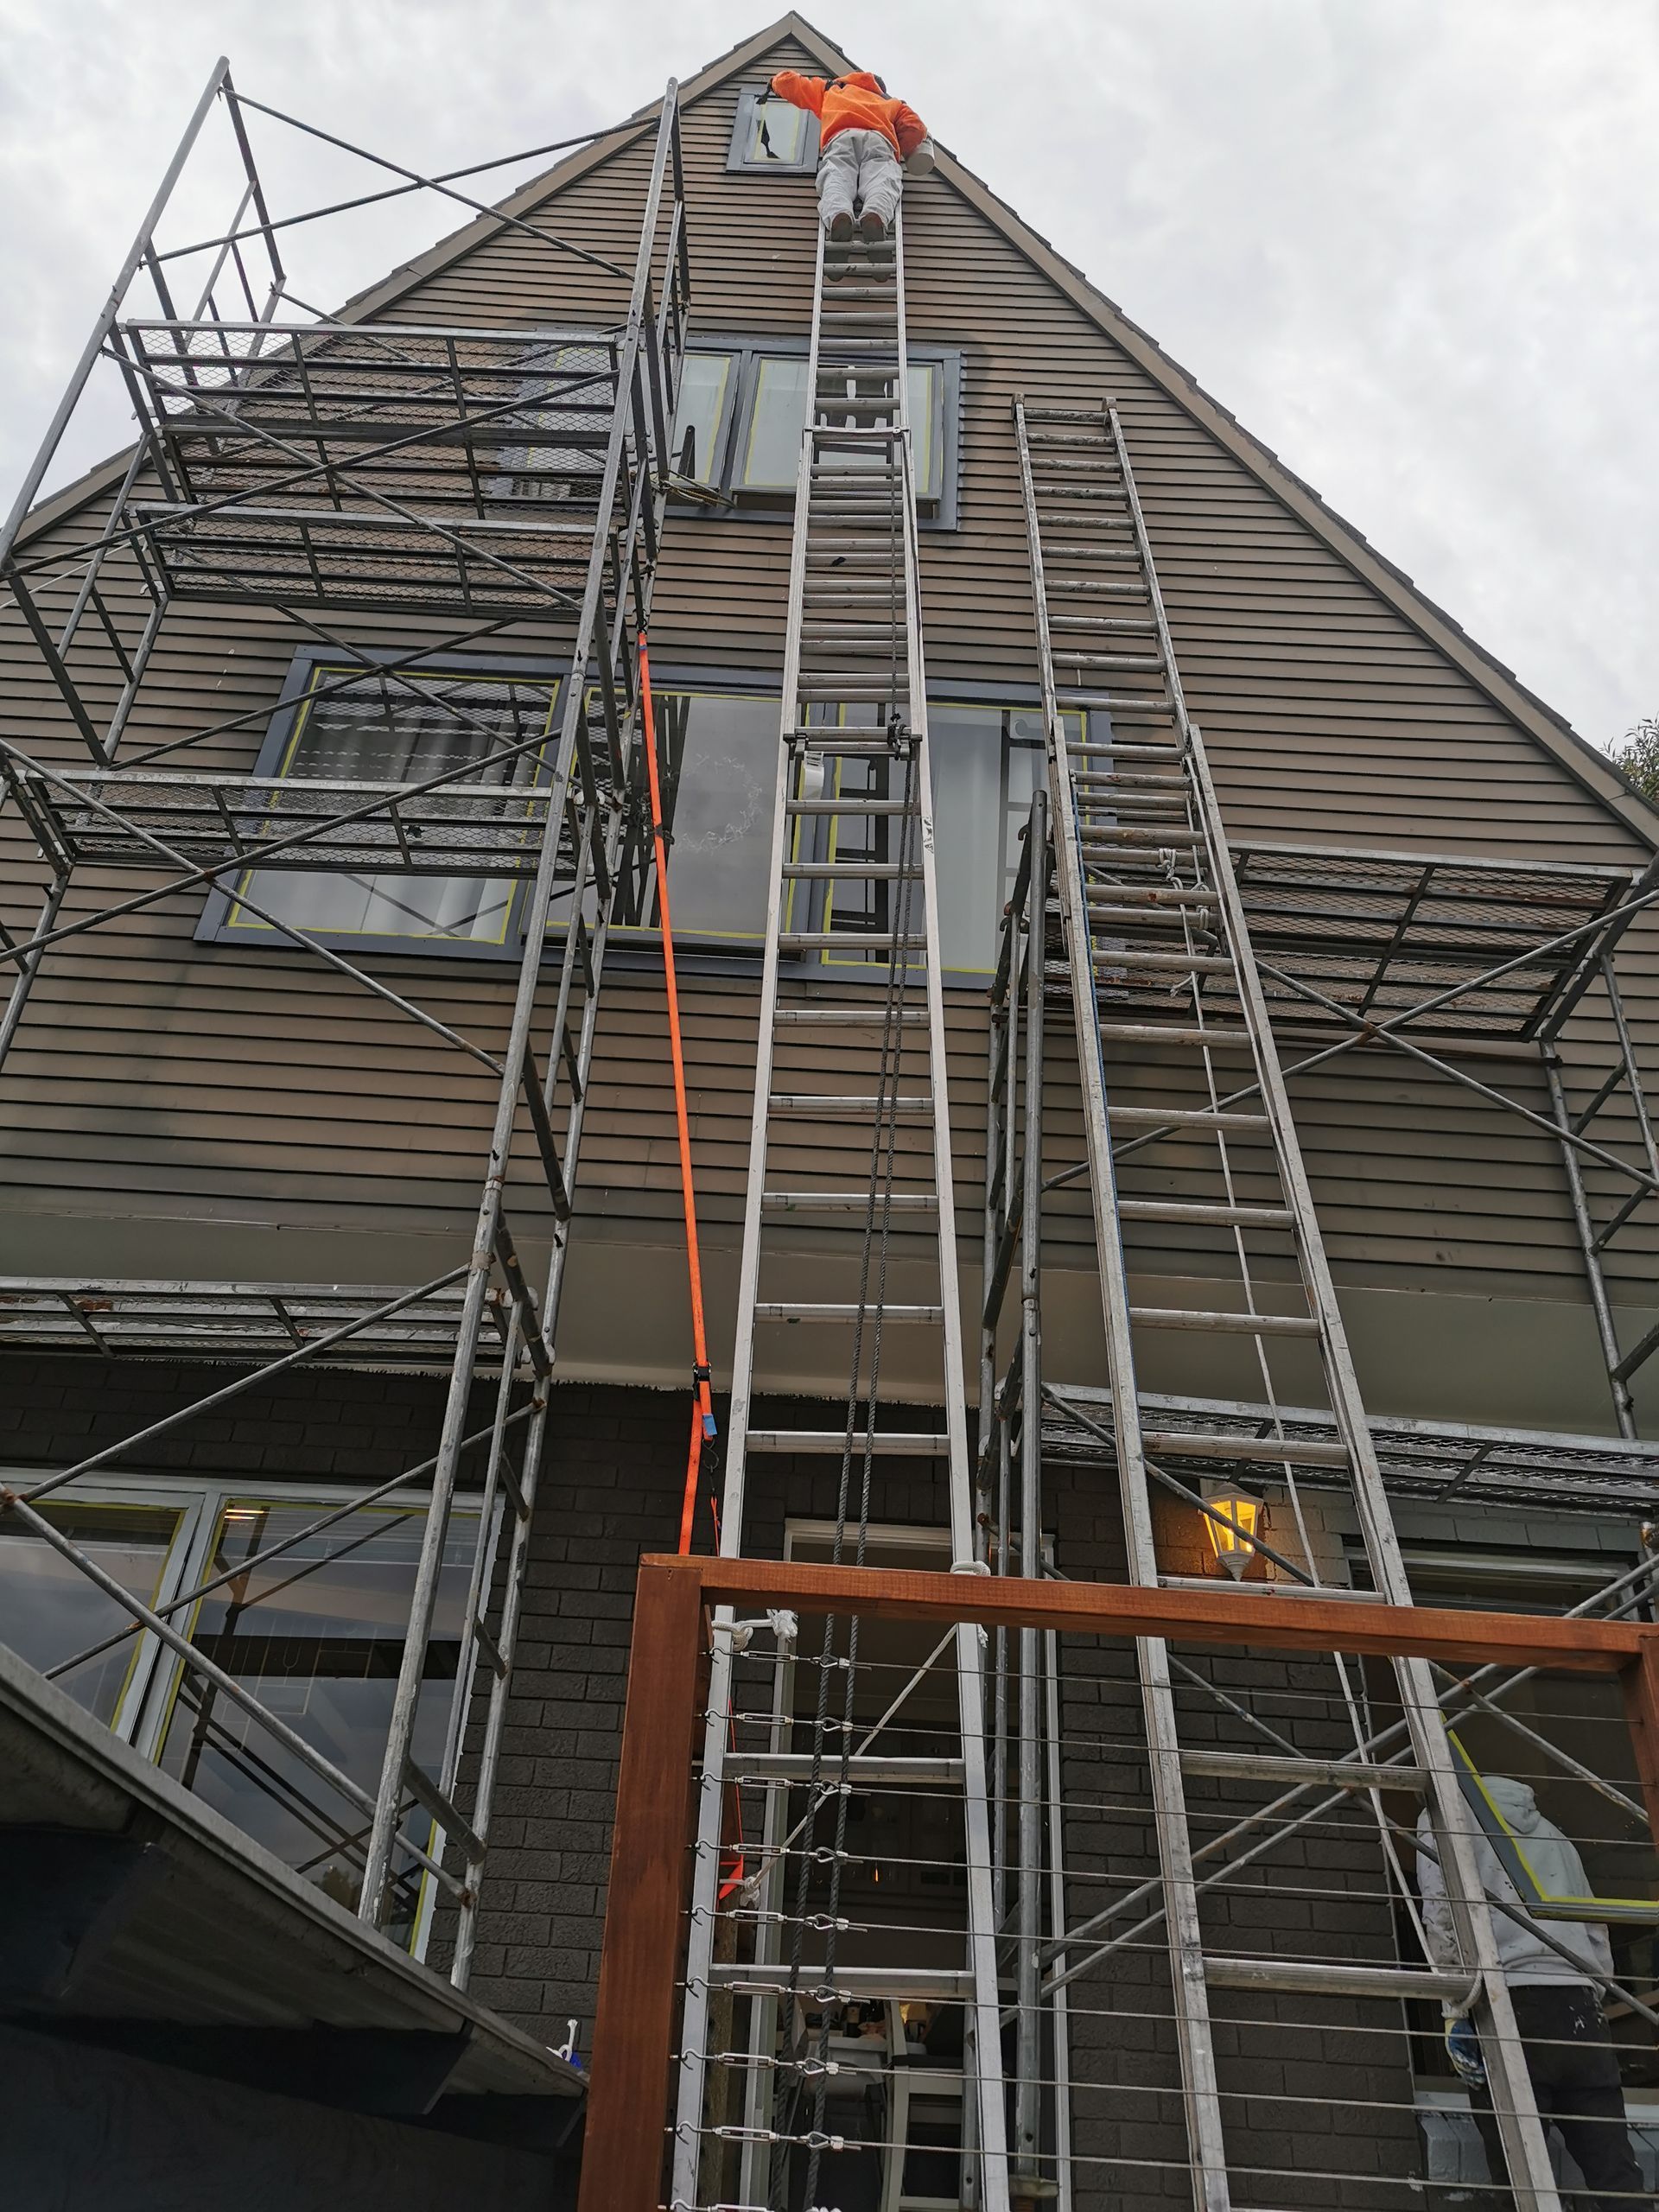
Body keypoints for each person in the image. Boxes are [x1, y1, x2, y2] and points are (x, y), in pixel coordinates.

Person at [1417, 1777, 1649, 2208]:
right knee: (1616, 2175)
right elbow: (1594, 1926)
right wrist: (1589, 1992)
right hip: (1579, 2010)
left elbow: (1442, 1916)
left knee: (1522, 2182)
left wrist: (1456, 2007)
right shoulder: (1554, 1834)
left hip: (1507, 2004)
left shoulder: (1441, 1820)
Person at [766, 68, 931, 244]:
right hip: (879, 140)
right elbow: (915, 127)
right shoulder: (893, 103)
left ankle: (839, 214)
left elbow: (791, 83)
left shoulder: (830, 89)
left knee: (837, 177)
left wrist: (775, 83)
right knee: (881, 180)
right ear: (879, 89)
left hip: (841, 138)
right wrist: (901, 147)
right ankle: (876, 214)